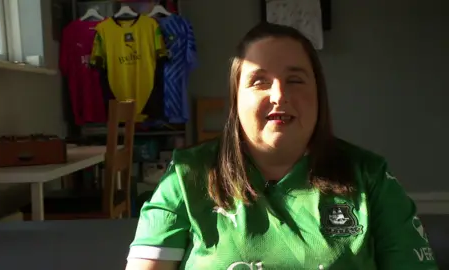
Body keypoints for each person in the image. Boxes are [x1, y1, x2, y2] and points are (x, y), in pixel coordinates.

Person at [125, 23, 439, 270]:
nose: (279, 95)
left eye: (296, 80)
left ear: (319, 95)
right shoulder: (185, 177)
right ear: (236, 100)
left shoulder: (371, 177)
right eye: (259, 81)